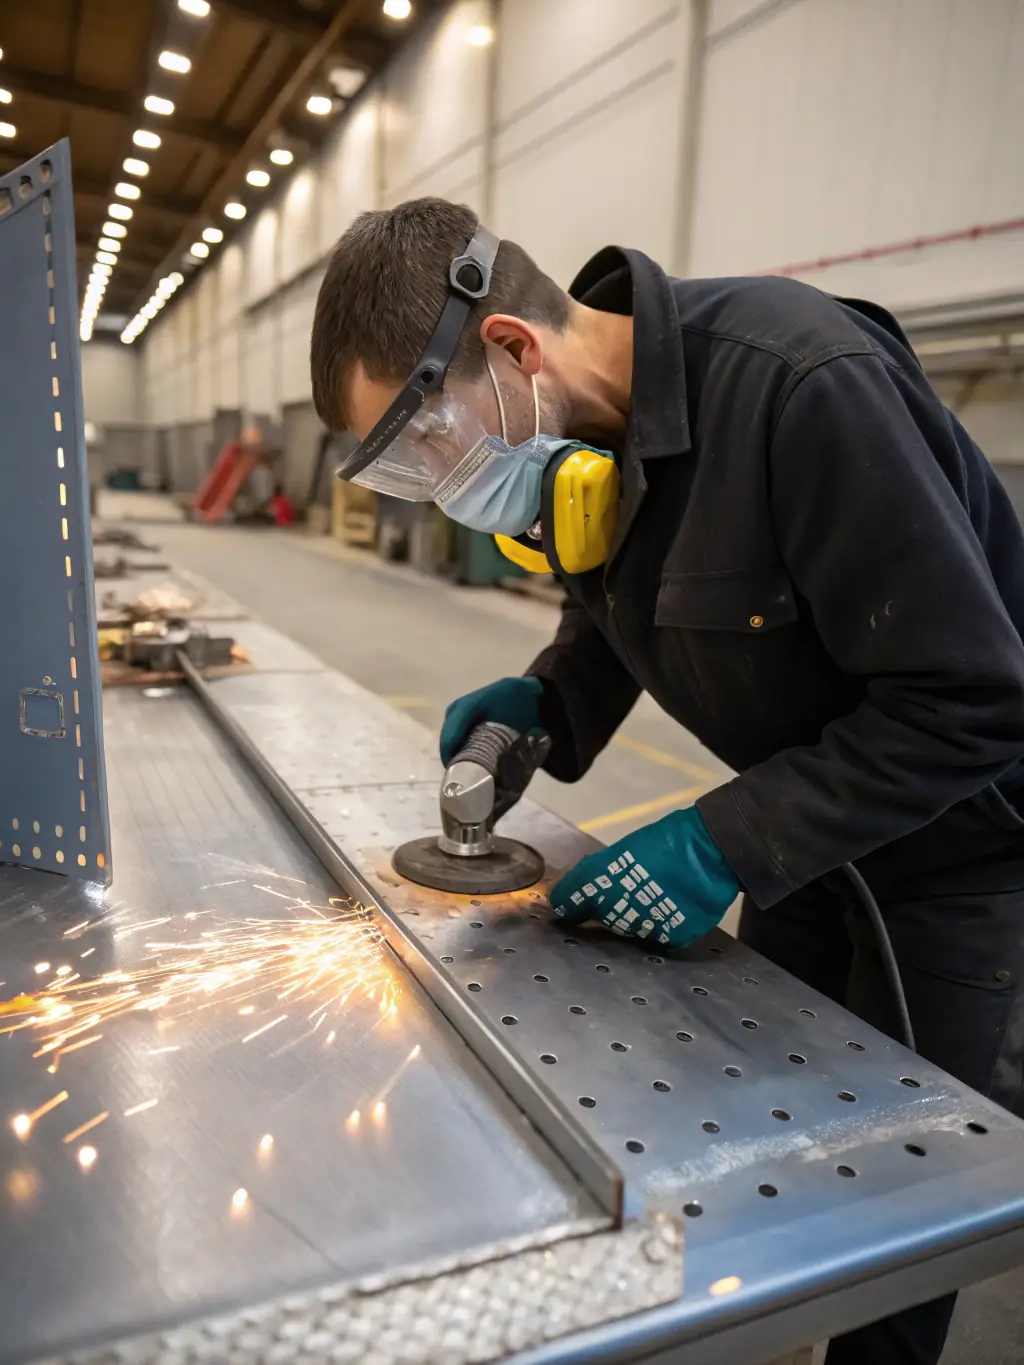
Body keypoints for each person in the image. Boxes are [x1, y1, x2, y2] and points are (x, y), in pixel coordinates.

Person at [310, 197, 1024, 1365]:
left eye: (429, 445)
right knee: (771, 1150)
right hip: (805, 840)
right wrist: (548, 704)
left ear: (512, 348)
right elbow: (626, 619)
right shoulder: (583, 446)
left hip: (954, 858)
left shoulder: (802, 386)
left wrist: (719, 842)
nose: (440, 487)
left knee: (897, 1217)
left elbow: (975, 699)